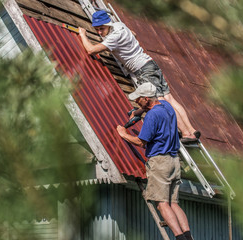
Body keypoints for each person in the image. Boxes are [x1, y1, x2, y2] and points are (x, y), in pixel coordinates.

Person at [79, 10, 200, 143]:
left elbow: (90, 50)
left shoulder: (114, 37)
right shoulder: (120, 25)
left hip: (142, 70)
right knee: (169, 98)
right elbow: (134, 34)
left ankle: (186, 134)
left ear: (108, 24)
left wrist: (83, 34)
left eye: (101, 29)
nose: (99, 33)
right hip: (150, 64)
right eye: (96, 30)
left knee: (162, 103)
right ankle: (192, 130)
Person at [116, 82, 194, 240]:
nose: (136, 101)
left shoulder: (152, 116)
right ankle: (188, 236)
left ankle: (179, 238)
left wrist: (123, 133)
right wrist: (138, 112)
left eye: (138, 99)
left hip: (159, 162)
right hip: (174, 160)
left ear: (146, 98)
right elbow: (148, 108)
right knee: (174, 203)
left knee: (162, 203)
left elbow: (141, 142)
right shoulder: (166, 106)